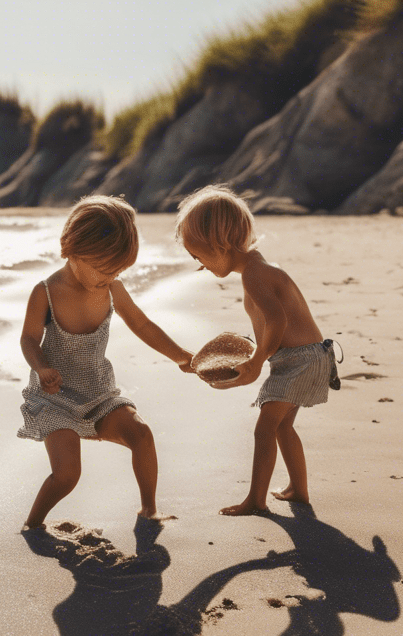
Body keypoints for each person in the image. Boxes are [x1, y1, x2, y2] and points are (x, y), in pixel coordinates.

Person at [19, 196, 194, 529]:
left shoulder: (112, 287)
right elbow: (28, 339)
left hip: (99, 394)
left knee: (141, 434)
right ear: (73, 250)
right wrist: (42, 368)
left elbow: (142, 324)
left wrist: (180, 356)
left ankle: (148, 509)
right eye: (103, 269)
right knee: (68, 475)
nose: (109, 277)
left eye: (118, 270)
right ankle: (33, 524)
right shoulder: (46, 292)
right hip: (54, 400)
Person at [175, 185, 339, 516]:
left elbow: (277, 321)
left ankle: (256, 500)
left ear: (218, 243)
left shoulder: (254, 274)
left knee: (264, 428)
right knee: (281, 426)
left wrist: (256, 361)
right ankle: (298, 489)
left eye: (198, 256)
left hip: (300, 361)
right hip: (308, 357)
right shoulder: (259, 268)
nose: (200, 266)